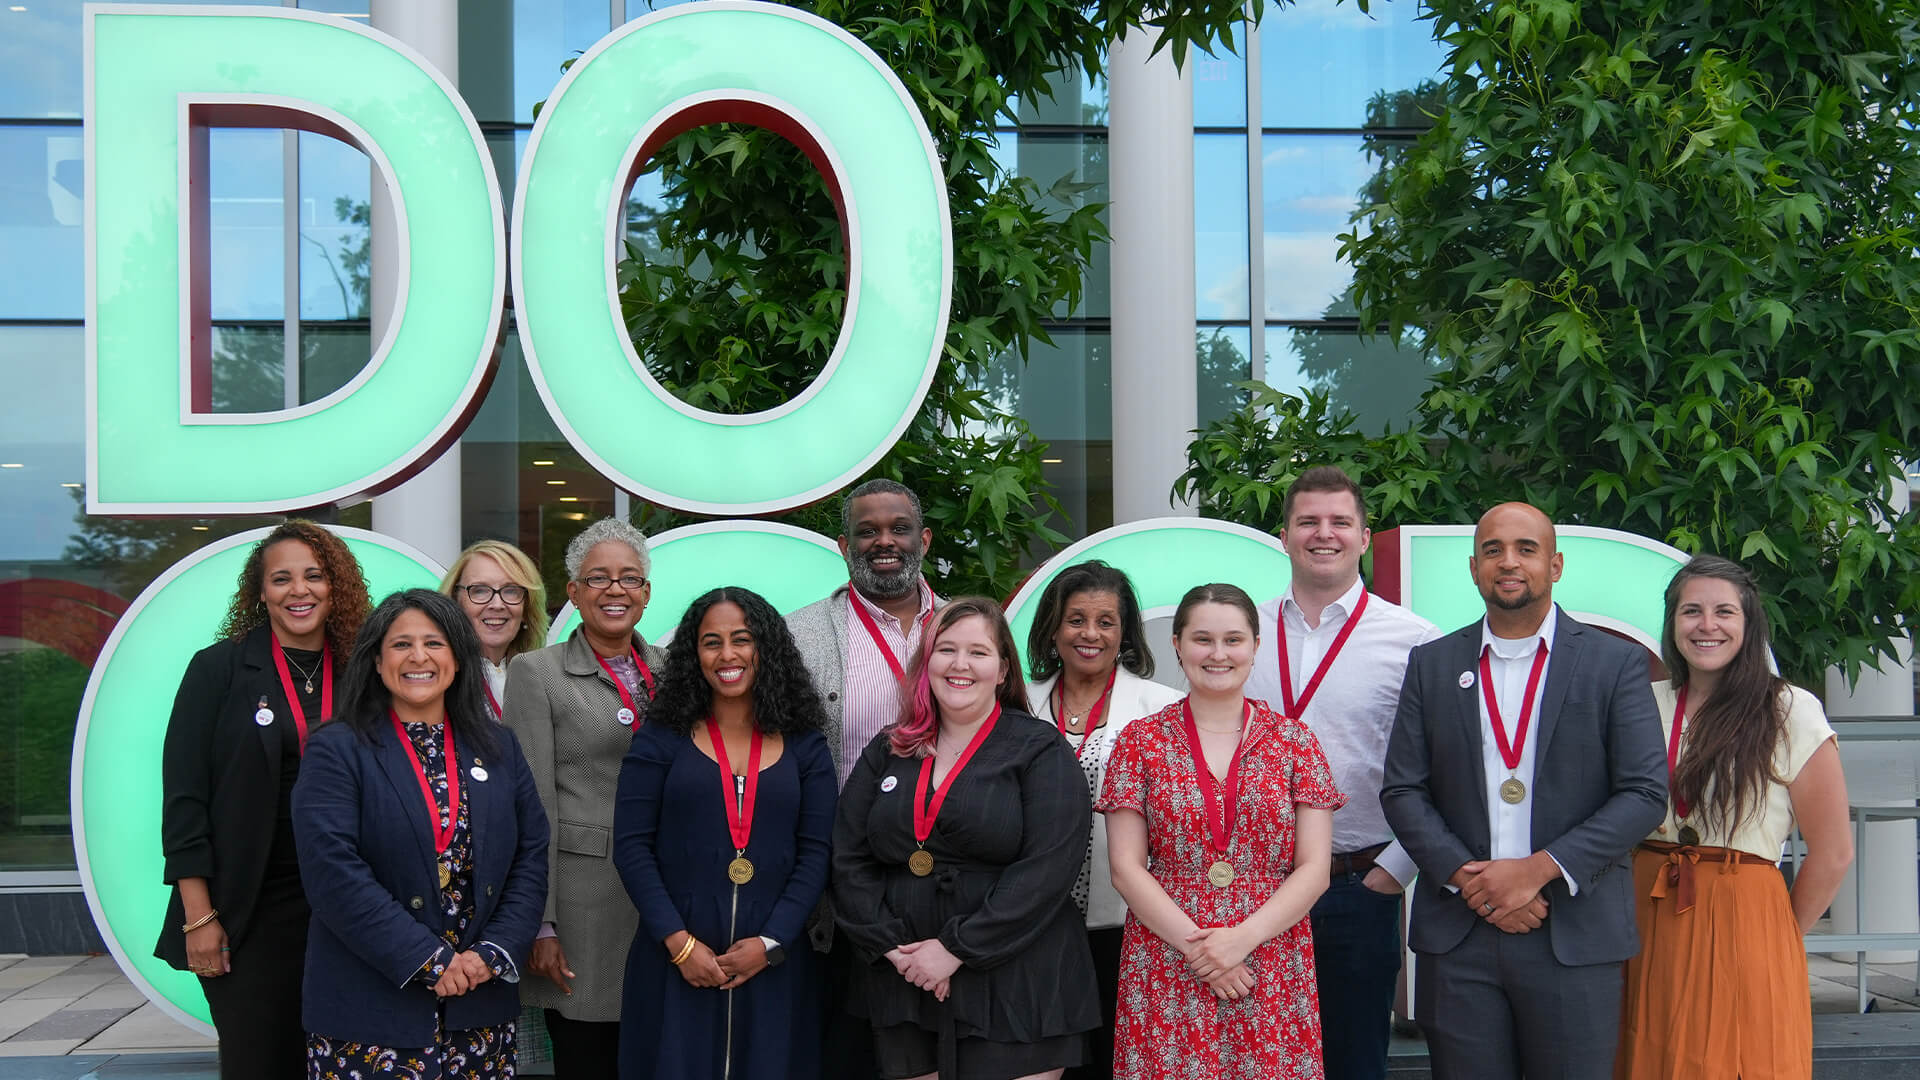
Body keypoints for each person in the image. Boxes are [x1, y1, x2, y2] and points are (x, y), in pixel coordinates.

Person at [1380, 502, 1668, 1080]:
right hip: (1460, 934)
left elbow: (1643, 793)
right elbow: (1403, 790)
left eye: (1526, 549)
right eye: (1493, 550)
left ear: (1555, 565)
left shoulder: (1614, 663)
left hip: (1573, 930)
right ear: (1474, 568)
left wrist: (1535, 871)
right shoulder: (1433, 664)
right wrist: (1474, 883)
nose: (1508, 562)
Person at [833, 597, 1100, 1079]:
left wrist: (954, 949)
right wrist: (893, 947)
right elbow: (848, 857)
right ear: (926, 663)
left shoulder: (1040, 750)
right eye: (946, 649)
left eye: (978, 652)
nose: (960, 664)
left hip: (1016, 976)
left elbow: (1048, 868)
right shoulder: (890, 748)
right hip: (905, 973)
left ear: (1003, 670)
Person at [1614, 555, 1852, 1080]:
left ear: (1749, 624)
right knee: (1647, 1056)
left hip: (1745, 910)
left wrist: (1777, 934)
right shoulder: (1641, 703)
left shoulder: (1789, 709)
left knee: (1740, 1058)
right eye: (1691, 611)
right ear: (1672, 623)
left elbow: (1834, 852)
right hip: (1646, 906)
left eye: (1724, 612)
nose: (1707, 625)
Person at [294, 589, 549, 1075]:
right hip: (371, 1012)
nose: (418, 657)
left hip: (479, 1003)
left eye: (434, 643)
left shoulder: (499, 747)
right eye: (401, 644)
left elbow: (531, 856)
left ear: (458, 657)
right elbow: (332, 873)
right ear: (376, 661)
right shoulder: (337, 749)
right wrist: (429, 960)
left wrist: (490, 954)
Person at [155, 520, 372, 1079]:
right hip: (246, 910)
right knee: (258, 1060)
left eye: (314, 576)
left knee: (346, 1061)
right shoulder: (218, 669)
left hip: (349, 900)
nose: (299, 590)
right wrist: (199, 916)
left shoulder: (366, 671)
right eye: (281, 579)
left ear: (337, 587)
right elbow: (184, 800)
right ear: (260, 592)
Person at [1241, 466, 1438, 1080]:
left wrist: (1395, 871)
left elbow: (1442, 768)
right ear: (1284, 536)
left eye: (1339, 522)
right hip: (1249, 889)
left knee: (1353, 1064)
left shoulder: (1414, 641)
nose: (1323, 534)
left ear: (1363, 536)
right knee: (1253, 1063)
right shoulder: (1239, 634)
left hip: (1358, 886)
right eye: (1308, 521)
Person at [1100, 583, 1342, 1080]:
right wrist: (1202, 950)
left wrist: (1240, 941)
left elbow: (1315, 868)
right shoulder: (1139, 742)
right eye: (1202, 639)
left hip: (1270, 952)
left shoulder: (1295, 742)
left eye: (1233, 640)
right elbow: (1125, 868)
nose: (1218, 654)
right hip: (1169, 953)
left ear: (1255, 646)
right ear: (1177, 644)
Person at [612, 587, 837, 1079]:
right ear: (694, 655)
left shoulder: (806, 744)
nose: (727, 654)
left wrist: (772, 942)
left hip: (774, 960)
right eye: (711, 642)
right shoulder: (660, 738)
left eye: (742, 639)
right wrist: (679, 944)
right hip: (676, 956)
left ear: (766, 648)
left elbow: (817, 853)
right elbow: (631, 847)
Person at [787, 478, 940, 1077]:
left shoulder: (969, 627)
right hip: (841, 880)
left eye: (899, 529)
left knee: (933, 1047)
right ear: (843, 545)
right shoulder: (798, 636)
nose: (885, 542)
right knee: (847, 1048)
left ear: (924, 539)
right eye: (867, 531)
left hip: (946, 877)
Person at [505, 518, 666, 1076]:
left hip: (668, 900)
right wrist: (540, 923)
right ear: (573, 592)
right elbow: (531, 807)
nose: (614, 590)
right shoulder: (537, 673)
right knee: (589, 1058)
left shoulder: (675, 670)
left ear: (646, 592)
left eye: (629, 578)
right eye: (598, 578)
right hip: (583, 909)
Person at [1022, 560, 1180, 1080]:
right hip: (1030, 925)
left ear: (1124, 633)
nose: (1090, 634)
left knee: (1116, 1061)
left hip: (1126, 926)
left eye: (1105, 622)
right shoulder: (1016, 704)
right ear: (1052, 628)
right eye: (1076, 620)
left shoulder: (1163, 710)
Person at [440, 539, 549, 720]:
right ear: (455, 600)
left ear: (526, 608)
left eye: (510, 590)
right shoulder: (437, 682)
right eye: (480, 590)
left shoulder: (544, 682)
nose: (497, 604)